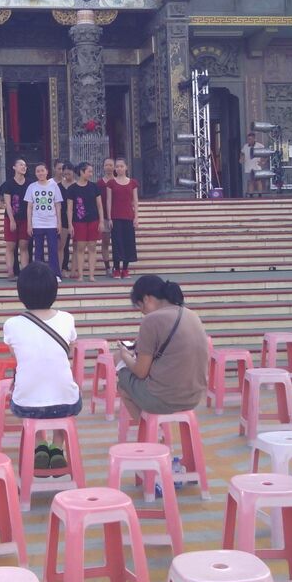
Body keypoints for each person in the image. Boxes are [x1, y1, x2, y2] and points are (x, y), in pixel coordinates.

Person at [2, 261, 81, 471]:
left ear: (21, 293)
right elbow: (70, 349)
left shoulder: (12, 324)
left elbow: (16, 355)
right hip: (66, 402)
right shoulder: (67, 319)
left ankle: (39, 445)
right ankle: (57, 447)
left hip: (27, 404)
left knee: (29, 392)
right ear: (54, 291)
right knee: (64, 396)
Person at [117, 275, 208, 420]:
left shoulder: (151, 320)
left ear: (146, 299)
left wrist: (124, 355)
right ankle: (153, 427)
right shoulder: (191, 314)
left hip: (165, 399)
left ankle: (147, 429)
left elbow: (141, 372)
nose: (142, 312)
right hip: (194, 397)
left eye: (140, 307)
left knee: (122, 379)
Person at [0, 158, 31, 280]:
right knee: (10, 246)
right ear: (14, 167)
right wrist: (10, 217)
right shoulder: (9, 183)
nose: (23, 167)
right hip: (11, 218)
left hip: (25, 218)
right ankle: (10, 272)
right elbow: (6, 203)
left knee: (24, 246)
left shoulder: (30, 184)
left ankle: (25, 273)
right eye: (21, 165)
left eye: (25, 165)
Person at [25, 162, 64, 279]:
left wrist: (59, 223)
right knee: (38, 250)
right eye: (38, 171)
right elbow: (29, 207)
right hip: (37, 223)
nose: (40, 173)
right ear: (35, 173)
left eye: (42, 170)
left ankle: (55, 274)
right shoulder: (32, 187)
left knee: (53, 250)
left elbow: (58, 205)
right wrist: (29, 224)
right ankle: (38, 276)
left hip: (51, 222)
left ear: (47, 171)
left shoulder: (54, 186)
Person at [65, 162, 103, 281]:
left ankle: (91, 275)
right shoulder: (72, 189)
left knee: (92, 247)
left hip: (93, 220)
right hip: (78, 222)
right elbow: (69, 209)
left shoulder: (94, 187)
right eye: (89, 171)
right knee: (80, 248)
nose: (91, 174)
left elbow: (99, 206)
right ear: (82, 172)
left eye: (91, 171)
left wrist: (101, 221)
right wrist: (70, 224)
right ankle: (80, 274)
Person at [105, 157, 138, 279]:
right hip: (116, 217)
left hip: (128, 216)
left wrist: (136, 217)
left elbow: (135, 201)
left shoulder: (133, 183)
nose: (119, 168)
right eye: (117, 166)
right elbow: (108, 201)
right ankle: (116, 269)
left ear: (126, 167)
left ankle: (125, 269)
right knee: (117, 243)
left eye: (121, 166)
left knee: (128, 243)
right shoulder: (111, 183)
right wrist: (109, 218)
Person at [57, 160, 76, 273]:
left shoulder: (77, 185)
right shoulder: (57, 186)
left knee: (76, 246)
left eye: (69, 173)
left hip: (76, 218)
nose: (67, 175)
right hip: (62, 218)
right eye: (65, 173)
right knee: (61, 245)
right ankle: (60, 269)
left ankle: (73, 270)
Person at [98, 157, 116, 274]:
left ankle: (116, 265)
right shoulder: (99, 183)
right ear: (103, 167)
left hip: (117, 216)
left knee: (117, 243)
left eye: (110, 165)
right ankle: (107, 267)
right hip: (104, 216)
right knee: (105, 242)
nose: (108, 167)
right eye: (106, 165)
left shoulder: (118, 181)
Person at [240, 132, 266, 197]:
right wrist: (241, 158)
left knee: (258, 181)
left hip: (257, 166)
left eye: (250, 139)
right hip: (248, 166)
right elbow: (242, 153)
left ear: (254, 139)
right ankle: (251, 195)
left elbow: (265, 154)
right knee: (250, 181)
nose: (249, 140)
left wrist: (263, 162)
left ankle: (260, 195)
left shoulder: (260, 146)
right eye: (248, 139)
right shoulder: (245, 146)